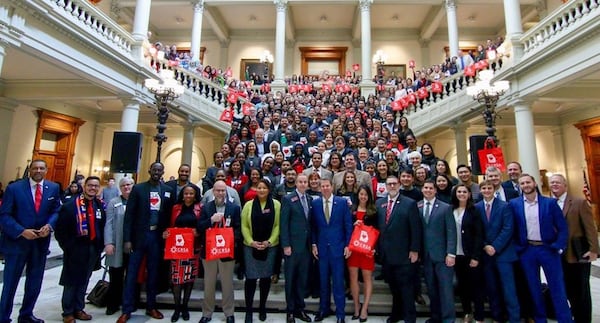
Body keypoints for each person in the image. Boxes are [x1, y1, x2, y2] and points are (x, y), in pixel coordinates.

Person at [0, 160, 61, 323]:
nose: (38, 170)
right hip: (17, 244)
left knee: (34, 282)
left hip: (40, 244)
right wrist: (21, 231)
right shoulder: (14, 188)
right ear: (30, 170)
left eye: (42, 168)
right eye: (35, 168)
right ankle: (3, 317)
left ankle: (26, 315)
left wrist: (49, 225)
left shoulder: (53, 188)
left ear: (46, 170)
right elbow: (4, 215)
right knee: (10, 283)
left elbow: (56, 211)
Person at [118, 162, 176, 323]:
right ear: (149, 171)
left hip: (157, 237)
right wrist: (128, 240)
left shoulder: (168, 191)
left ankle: (151, 306)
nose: (157, 172)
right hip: (139, 236)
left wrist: (168, 232)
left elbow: (170, 215)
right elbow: (129, 216)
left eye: (160, 170)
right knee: (131, 273)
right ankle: (127, 309)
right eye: (154, 170)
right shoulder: (138, 189)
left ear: (163, 172)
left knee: (153, 273)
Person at [510, 174, 572, 323]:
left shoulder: (549, 203)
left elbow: (562, 228)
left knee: (557, 286)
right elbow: (512, 228)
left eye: (528, 182)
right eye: (522, 183)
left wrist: (558, 247)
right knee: (534, 287)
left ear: (534, 183)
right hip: (527, 250)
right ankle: (540, 319)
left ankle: (565, 319)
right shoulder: (514, 204)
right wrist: (518, 247)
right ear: (519, 186)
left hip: (548, 249)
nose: (525, 185)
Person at [55, 176, 106, 323]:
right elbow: (61, 230)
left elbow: (101, 226)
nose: (93, 188)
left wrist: (99, 246)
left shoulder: (100, 205)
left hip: (92, 249)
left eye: (96, 186)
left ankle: (79, 308)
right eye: (90, 185)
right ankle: (68, 312)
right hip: (75, 248)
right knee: (71, 281)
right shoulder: (71, 205)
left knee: (84, 279)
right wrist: (68, 247)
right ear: (84, 186)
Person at [550, 174, 599, 323]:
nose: (554, 185)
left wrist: (594, 250)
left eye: (557, 182)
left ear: (565, 184)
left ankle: (583, 319)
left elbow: (590, 228)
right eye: (552, 183)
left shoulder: (579, 202)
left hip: (577, 253)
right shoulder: (550, 203)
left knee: (581, 292)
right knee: (568, 290)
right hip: (559, 256)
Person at [376, 175, 422, 323]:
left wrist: (414, 250)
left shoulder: (409, 204)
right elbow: (377, 227)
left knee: (407, 289)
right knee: (394, 288)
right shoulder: (380, 203)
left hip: (404, 255)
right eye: (389, 184)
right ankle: (396, 314)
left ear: (399, 185)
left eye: (394, 184)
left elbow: (415, 229)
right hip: (387, 255)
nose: (392, 186)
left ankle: (409, 317)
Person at [476, 179, 520, 323]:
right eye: (484, 188)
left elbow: (508, 228)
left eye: (489, 188)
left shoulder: (505, 206)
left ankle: (514, 318)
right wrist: (485, 245)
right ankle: (497, 317)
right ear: (480, 191)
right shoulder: (476, 207)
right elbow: (476, 231)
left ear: (494, 190)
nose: (487, 190)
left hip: (503, 253)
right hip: (486, 255)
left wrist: (495, 246)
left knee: (509, 290)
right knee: (492, 289)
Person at [197, 181, 241, 323]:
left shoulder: (233, 208)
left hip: (226, 252)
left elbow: (238, 229)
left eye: (223, 191)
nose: (221, 193)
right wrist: (211, 220)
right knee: (209, 284)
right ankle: (207, 313)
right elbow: (199, 228)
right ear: (213, 192)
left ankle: (229, 313)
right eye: (218, 190)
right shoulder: (206, 208)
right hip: (209, 252)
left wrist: (228, 234)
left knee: (227, 284)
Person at [311, 178, 353, 323]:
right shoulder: (315, 203)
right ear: (319, 188)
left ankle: (340, 314)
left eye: (327, 186)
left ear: (332, 186)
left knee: (338, 283)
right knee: (323, 282)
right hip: (322, 249)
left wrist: (348, 245)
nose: (325, 188)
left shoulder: (342, 203)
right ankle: (324, 309)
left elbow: (348, 225)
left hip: (338, 249)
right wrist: (314, 244)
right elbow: (313, 227)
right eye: (322, 186)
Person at [241, 179, 281, 323]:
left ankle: (262, 307)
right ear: (255, 189)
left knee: (265, 279)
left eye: (264, 188)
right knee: (250, 279)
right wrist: (251, 241)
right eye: (259, 188)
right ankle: (249, 310)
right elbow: (244, 225)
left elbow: (278, 225)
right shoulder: (248, 205)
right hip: (250, 247)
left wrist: (269, 241)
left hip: (270, 247)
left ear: (269, 190)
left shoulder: (276, 204)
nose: (262, 190)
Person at [419, 180, 456, 323]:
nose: (428, 190)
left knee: (445, 289)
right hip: (426, 256)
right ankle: (436, 316)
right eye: (425, 188)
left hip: (443, 256)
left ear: (435, 191)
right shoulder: (418, 206)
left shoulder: (445, 208)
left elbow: (451, 231)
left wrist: (451, 253)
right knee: (431, 289)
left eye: (430, 188)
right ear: (422, 190)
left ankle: (448, 319)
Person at [163, 184, 202, 322]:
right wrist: (166, 233)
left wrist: (198, 232)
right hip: (177, 248)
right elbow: (169, 225)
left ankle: (185, 306)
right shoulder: (175, 208)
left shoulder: (199, 208)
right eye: (186, 193)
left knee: (189, 279)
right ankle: (177, 307)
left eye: (191, 193)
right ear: (182, 194)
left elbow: (202, 226)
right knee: (177, 280)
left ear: (195, 195)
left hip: (193, 248)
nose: (188, 196)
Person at [280, 174, 313, 323]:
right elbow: (284, 223)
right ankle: (290, 311)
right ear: (296, 183)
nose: (302, 184)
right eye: (300, 181)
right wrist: (286, 245)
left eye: (305, 182)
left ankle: (300, 309)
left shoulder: (310, 199)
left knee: (302, 279)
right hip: (292, 247)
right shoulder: (288, 199)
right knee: (291, 280)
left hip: (306, 247)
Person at [451, 184, 485, 323]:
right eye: (459, 191)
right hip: (456, 254)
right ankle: (467, 313)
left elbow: (479, 235)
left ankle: (479, 316)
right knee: (463, 286)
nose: (461, 194)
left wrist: (476, 256)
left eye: (464, 191)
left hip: (471, 255)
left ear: (469, 194)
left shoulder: (474, 210)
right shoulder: (451, 209)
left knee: (476, 286)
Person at [104, 177, 135, 315]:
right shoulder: (113, 202)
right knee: (115, 274)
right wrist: (108, 242)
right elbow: (108, 224)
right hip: (116, 243)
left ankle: (128, 302)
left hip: (133, 244)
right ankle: (113, 303)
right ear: (120, 188)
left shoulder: (137, 201)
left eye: (129, 184)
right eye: (123, 185)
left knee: (131, 275)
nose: (126, 187)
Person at [347, 185, 377, 323]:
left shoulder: (373, 211)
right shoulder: (351, 210)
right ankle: (357, 307)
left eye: (365, 194)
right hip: (354, 249)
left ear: (369, 196)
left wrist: (374, 248)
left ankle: (365, 308)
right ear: (357, 195)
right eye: (361, 194)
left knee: (367, 278)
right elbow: (346, 228)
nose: (363, 197)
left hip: (367, 250)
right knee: (353, 278)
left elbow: (377, 231)